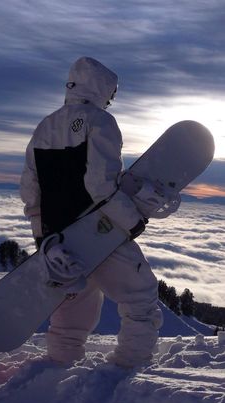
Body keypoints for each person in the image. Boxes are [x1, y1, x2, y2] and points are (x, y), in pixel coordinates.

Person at [20, 57, 163, 368]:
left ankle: (58, 368)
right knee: (141, 298)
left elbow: (31, 191)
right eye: (110, 93)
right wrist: (133, 221)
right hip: (99, 228)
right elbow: (100, 184)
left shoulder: (45, 125)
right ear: (101, 88)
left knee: (74, 310)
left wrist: (44, 237)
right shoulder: (100, 122)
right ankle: (128, 368)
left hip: (62, 240)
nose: (111, 100)